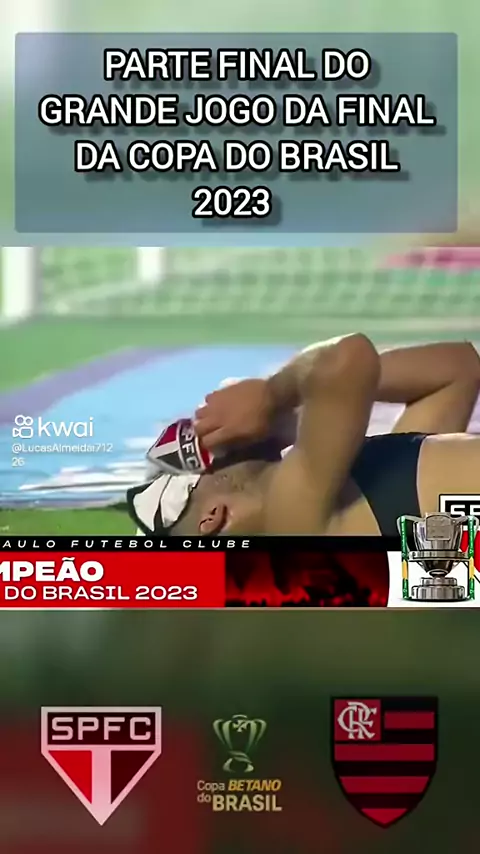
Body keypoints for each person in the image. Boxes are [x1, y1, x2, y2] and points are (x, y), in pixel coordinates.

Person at [127, 337, 480, 536]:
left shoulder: (364, 490)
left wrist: (302, 406)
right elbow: (345, 359)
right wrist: (274, 395)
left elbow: (457, 371)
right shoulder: (289, 525)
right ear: (214, 516)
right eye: (216, 456)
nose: (228, 441)